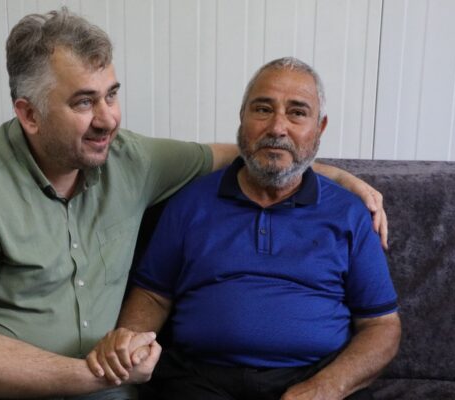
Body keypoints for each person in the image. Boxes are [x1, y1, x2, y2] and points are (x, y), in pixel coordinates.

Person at [0, 8, 388, 399]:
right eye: (84, 101)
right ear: (29, 114)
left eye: (112, 94)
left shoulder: (130, 160)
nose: (108, 119)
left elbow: (250, 150)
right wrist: (95, 375)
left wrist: (328, 173)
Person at [87, 57, 401, 400]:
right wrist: (130, 339)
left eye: (297, 113)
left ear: (320, 127)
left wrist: (326, 388)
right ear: (242, 117)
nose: (277, 128)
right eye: (263, 109)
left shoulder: (349, 213)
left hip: (314, 375)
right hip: (201, 379)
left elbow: (381, 325)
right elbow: (152, 295)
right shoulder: (189, 202)